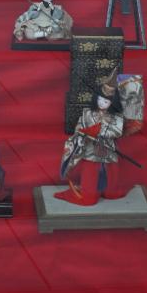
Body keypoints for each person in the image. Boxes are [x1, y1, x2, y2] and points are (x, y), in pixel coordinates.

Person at [56, 76, 126, 206]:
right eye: (99, 99)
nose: (101, 103)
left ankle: (108, 191)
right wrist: (81, 135)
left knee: (111, 184)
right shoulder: (87, 113)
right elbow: (80, 128)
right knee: (90, 183)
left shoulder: (116, 117)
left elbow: (117, 132)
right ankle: (89, 193)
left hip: (109, 151)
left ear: (113, 102)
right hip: (91, 152)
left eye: (106, 101)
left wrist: (101, 130)